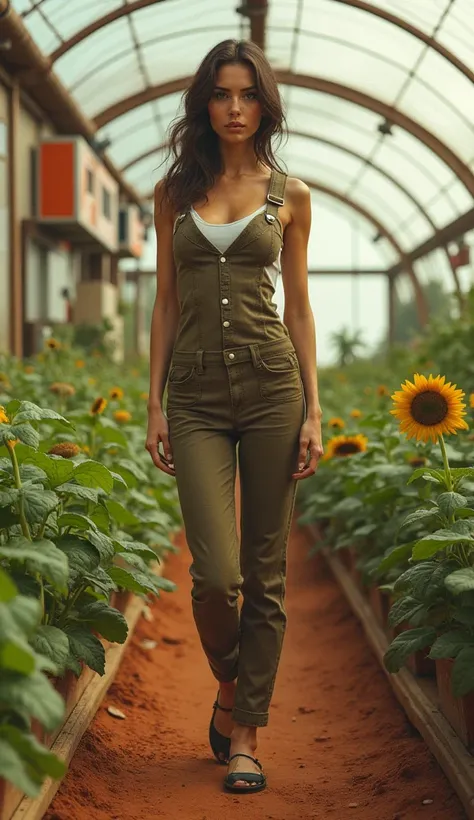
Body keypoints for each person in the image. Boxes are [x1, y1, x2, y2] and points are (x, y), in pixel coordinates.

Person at [145, 38, 323, 794]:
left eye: (248, 94)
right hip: (192, 396)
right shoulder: (174, 193)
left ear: (265, 101)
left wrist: (316, 408)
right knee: (215, 577)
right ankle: (229, 687)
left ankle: (246, 733)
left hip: (273, 390)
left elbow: (302, 310)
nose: (236, 108)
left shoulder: (293, 195)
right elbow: (164, 301)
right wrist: (153, 402)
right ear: (204, 103)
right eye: (222, 94)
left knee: (264, 571)